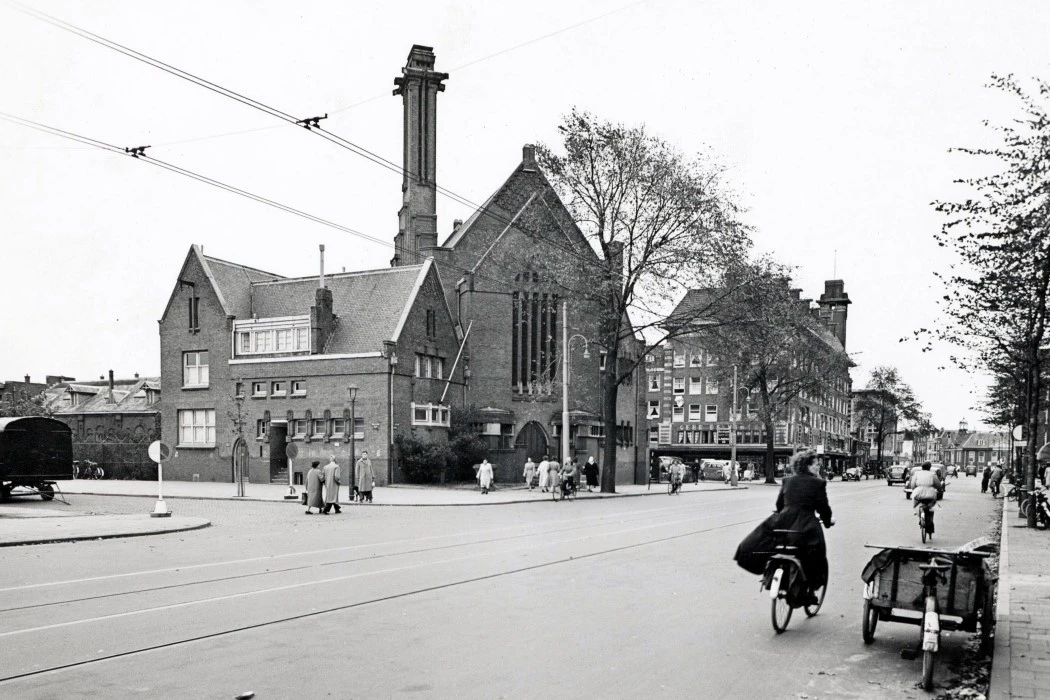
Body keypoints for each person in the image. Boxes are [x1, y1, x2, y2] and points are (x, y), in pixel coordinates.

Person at [772, 449, 834, 598]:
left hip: (785, 527)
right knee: (817, 552)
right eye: (815, 464)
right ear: (807, 466)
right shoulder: (818, 483)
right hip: (806, 528)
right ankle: (811, 588)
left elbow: (779, 505)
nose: (818, 467)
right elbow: (823, 508)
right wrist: (827, 522)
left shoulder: (787, 481)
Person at [907, 462, 941, 535]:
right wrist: (939, 490)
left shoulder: (917, 473)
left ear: (922, 467)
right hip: (930, 493)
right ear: (930, 468)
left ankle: (919, 514)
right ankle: (930, 523)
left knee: (915, 503)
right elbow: (938, 485)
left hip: (918, 492)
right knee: (931, 506)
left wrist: (914, 490)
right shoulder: (933, 474)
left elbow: (912, 485)